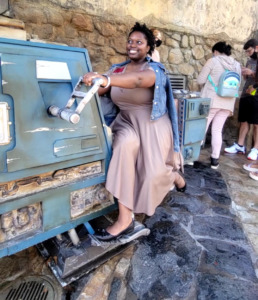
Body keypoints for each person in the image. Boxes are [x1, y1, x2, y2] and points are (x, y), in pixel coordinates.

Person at [82, 22, 186, 241]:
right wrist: (94, 79)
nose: (132, 45)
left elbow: (138, 81)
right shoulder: (117, 69)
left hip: (152, 125)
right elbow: (104, 89)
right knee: (124, 146)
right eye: (130, 41)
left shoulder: (154, 70)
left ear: (148, 47)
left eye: (139, 42)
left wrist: (107, 78)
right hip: (126, 122)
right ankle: (125, 218)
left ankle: (173, 176)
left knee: (152, 175)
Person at [197, 41, 241, 169]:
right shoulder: (237, 65)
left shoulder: (213, 61)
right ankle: (215, 160)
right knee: (217, 130)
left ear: (215, 51)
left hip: (211, 100)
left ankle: (192, 156)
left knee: (202, 128)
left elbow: (200, 80)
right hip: (228, 102)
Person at [224, 39, 258, 161]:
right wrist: (244, 72)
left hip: (256, 95)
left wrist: (252, 73)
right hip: (245, 94)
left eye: (249, 51)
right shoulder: (250, 61)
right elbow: (248, 76)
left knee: (256, 124)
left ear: (256, 47)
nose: (248, 54)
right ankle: (240, 145)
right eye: (246, 52)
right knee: (243, 121)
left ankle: (255, 149)